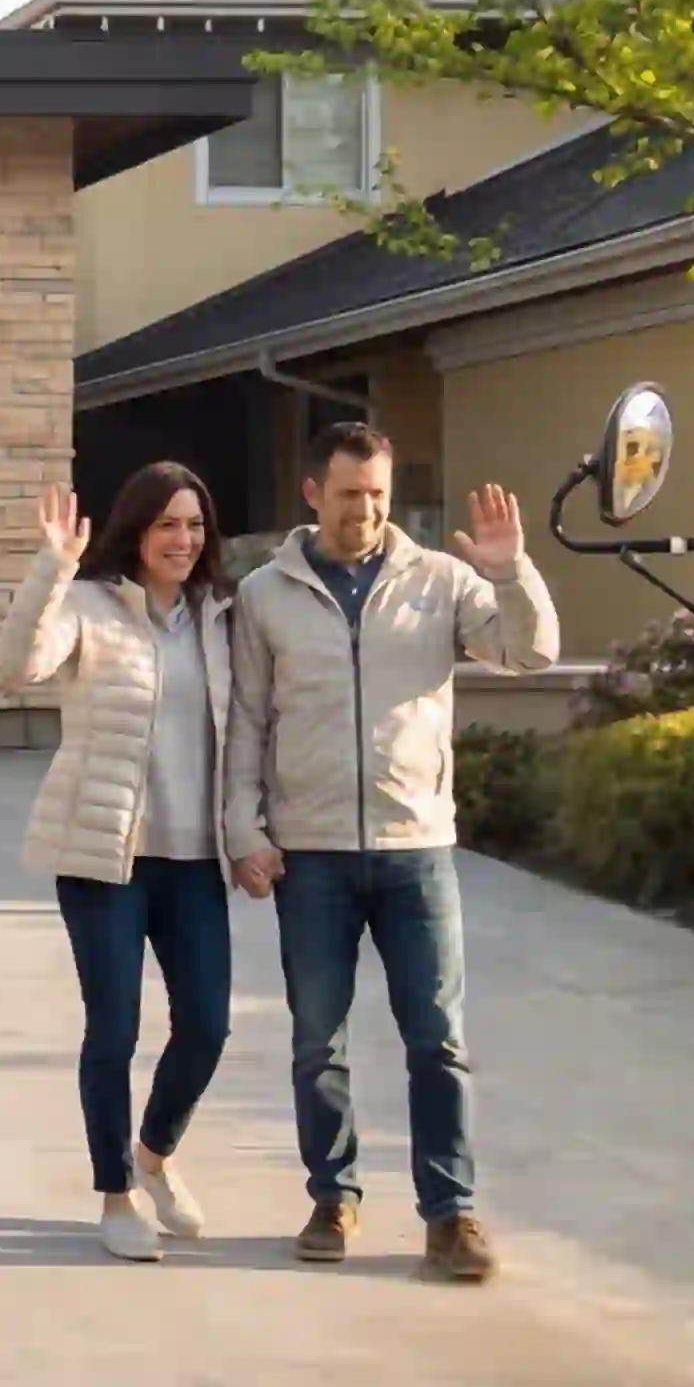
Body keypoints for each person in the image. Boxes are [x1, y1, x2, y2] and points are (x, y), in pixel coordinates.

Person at [222, 421, 559, 1281]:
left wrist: (510, 569)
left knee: (438, 1040)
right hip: (312, 853)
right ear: (313, 494)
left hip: (417, 849)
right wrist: (244, 829)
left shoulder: (441, 581)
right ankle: (332, 1197)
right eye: (348, 495)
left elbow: (530, 650)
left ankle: (451, 1215)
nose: (365, 511)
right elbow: (247, 720)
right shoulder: (265, 595)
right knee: (317, 1040)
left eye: (377, 494)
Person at [2, 463, 238, 1261]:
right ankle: (115, 1194)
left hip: (194, 858)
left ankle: (153, 1157)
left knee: (206, 1025)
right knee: (114, 1028)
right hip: (105, 855)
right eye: (167, 523)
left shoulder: (219, 617)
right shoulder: (87, 605)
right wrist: (51, 568)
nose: (183, 539)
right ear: (136, 531)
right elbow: (19, 666)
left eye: (195, 525)